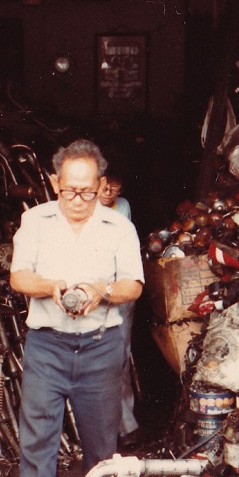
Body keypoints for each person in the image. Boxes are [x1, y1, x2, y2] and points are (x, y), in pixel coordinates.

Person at [10, 139, 144, 477]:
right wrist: (52, 287)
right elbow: (18, 278)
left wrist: (101, 291)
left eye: (87, 191)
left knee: (101, 443)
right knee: (38, 439)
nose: (78, 200)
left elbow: (134, 285)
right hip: (46, 346)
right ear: (55, 183)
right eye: (69, 191)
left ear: (101, 185)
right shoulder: (34, 222)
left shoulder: (119, 226)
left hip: (99, 347)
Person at [98, 173, 142, 446]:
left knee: (119, 357)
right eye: (106, 184)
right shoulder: (85, 207)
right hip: (92, 291)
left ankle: (125, 426)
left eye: (116, 185)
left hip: (119, 291)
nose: (110, 191)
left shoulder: (122, 207)